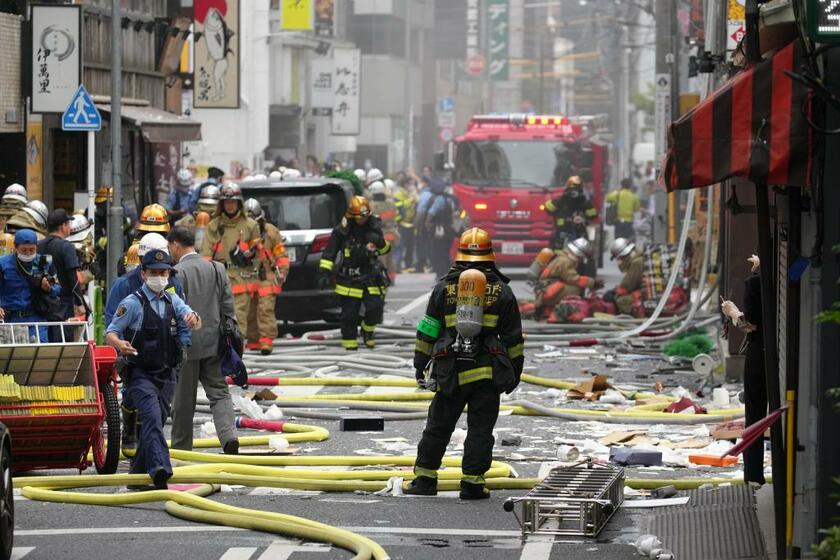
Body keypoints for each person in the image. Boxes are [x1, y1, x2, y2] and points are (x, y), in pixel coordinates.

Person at [406, 227, 524, 499]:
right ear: (489, 255)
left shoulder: (443, 288)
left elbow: (427, 330)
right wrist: (514, 372)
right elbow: (513, 339)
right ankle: (472, 483)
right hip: (486, 375)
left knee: (438, 425)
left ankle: (425, 480)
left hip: (450, 372)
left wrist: (419, 363)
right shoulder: (503, 292)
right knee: (480, 429)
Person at [105, 249, 200, 490]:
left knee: (154, 421)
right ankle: (160, 469)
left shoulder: (172, 300)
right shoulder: (132, 303)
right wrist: (120, 344)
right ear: (144, 273)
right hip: (140, 374)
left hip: (167, 374)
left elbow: (191, 318)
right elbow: (110, 332)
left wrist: (192, 319)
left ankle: (136, 477)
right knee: (151, 419)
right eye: (155, 273)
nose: (160, 277)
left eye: (164, 272)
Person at [167, 227, 239, 454]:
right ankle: (229, 437)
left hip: (186, 348)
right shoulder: (216, 269)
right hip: (214, 344)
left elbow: (172, 311)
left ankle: (181, 451)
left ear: (176, 245)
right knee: (219, 392)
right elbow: (228, 308)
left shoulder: (176, 273)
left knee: (183, 403)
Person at [319, 195, 390, 350]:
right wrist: (325, 270)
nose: (363, 220)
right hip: (349, 278)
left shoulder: (373, 226)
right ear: (352, 216)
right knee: (349, 314)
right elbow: (330, 251)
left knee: (375, 308)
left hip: (370, 274)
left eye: (365, 216)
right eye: (359, 217)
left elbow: (385, 250)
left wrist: (379, 241)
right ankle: (350, 342)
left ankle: (367, 331)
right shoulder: (342, 231)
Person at [721, 254, 766, 485]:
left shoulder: (755, 282)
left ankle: (754, 476)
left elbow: (749, 325)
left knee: (755, 416)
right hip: (777, 352)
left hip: (759, 354)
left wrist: (731, 311)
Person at [200, 182, 261, 339]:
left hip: (242, 277)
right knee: (218, 318)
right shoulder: (214, 225)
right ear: (221, 203)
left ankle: (237, 353)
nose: (230, 205)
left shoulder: (251, 225)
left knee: (239, 318)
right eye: (226, 202)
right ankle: (222, 355)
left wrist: (250, 256)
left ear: (239, 203)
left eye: (233, 201)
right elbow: (205, 254)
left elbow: (258, 254)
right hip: (219, 277)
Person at [243, 198, 289, 355]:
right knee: (249, 310)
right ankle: (253, 339)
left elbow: (281, 255)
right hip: (247, 276)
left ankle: (266, 340)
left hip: (267, 275)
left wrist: (282, 271)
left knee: (265, 309)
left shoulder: (271, 231)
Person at [0, 229, 61, 342]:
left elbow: (58, 288)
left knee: (39, 354)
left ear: (36, 247)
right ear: (15, 247)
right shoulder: (3, 264)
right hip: (11, 319)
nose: (28, 253)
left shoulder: (45, 262)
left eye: (31, 250)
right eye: (24, 250)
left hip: (37, 318)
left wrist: (48, 288)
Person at [534, 238, 602, 317]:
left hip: (546, 291)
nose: (581, 260)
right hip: (546, 294)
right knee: (576, 289)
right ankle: (568, 309)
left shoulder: (563, 258)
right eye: (581, 257)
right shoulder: (565, 261)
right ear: (578, 254)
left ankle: (550, 307)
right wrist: (593, 283)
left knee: (572, 286)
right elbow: (574, 279)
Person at [544, 175, 597, 250]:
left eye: (576, 189)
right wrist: (563, 199)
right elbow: (548, 208)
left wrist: (583, 202)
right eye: (572, 190)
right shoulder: (563, 200)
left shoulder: (582, 202)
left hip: (576, 232)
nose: (573, 193)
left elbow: (592, 215)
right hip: (563, 233)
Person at [423, 179, 458, 278]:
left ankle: (440, 274)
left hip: (440, 229)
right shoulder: (452, 199)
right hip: (450, 229)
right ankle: (448, 272)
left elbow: (431, 213)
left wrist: (427, 223)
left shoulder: (439, 199)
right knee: (446, 252)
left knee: (438, 251)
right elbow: (456, 215)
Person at [368, 181, 399, 282]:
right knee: (390, 257)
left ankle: (384, 278)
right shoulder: (391, 203)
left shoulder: (371, 205)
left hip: (380, 235)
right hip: (392, 233)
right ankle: (392, 278)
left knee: (382, 258)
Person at [605, 238, 644, 315]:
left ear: (623, 255)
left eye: (619, 258)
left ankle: (631, 322)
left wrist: (614, 293)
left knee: (622, 301)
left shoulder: (637, 263)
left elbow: (627, 286)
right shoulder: (639, 258)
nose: (619, 261)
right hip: (645, 291)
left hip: (645, 295)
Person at [394, 177, 417, 272]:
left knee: (410, 245)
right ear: (405, 185)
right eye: (410, 184)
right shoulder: (399, 194)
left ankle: (409, 264)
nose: (411, 186)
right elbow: (402, 207)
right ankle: (398, 265)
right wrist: (411, 200)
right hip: (402, 223)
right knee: (401, 245)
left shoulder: (411, 194)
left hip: (412, 223)